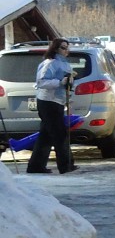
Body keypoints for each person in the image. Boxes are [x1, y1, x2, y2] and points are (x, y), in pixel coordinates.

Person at [27, 38, 76, 174]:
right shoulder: (49, 63)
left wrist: (68, 89)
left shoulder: (65, 64)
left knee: (46, 135)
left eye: (67, 47)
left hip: (58, 102)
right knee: (60, 134)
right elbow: (41, 82)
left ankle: (36, 166)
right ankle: (65, 165)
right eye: (63, 48)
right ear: (55, 49)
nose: (66, 50)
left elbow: (66, 84)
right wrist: (60, 82)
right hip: (48, 102)